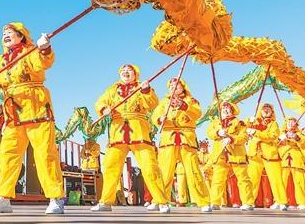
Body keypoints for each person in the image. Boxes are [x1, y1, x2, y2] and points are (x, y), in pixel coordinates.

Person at [0, 23, 65, 215]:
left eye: (10, 32)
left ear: (21, 36)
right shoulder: (0, 60)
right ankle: (4, 198)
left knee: (45, 154)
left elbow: (45, 62)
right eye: (4, 33)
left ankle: (55, 198)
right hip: (13, 113)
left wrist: (44, 47)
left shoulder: (30, 51)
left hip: (37, 108)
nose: (6, 35)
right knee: (8, 156)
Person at [92, 64, 170, 213]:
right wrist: (104, 109)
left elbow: (153, 103)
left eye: (129, 71)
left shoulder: (142, 87)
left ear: (135, 74)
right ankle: (105, 202)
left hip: (139, 130)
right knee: (110, 167)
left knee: (150, 167)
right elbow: (100, 102)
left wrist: (146, 90)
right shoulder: (112, 89)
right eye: (123, 71)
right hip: (117, 131)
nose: (126, 72)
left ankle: (162, 201)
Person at [153, 77, 212, 213]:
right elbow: (155, 116)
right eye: (171, 85)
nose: (173, 87)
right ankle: (159, 200)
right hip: (168, 138)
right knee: (164, 171)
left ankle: (203, 201)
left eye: (177, 85)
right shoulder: (164, 102)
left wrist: (184, 106)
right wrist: (160, 118)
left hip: (186, 138)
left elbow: (197, 113)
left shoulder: (191, 100)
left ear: (183, 87)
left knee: (193, 170)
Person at [206, 101, 255, 211]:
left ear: (232, 111)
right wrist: (218, 132)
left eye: (228, 108)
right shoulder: (215, 122)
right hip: (220, 154)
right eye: (223, 108)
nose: (225, 110)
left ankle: (248, 202)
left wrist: (231, 139)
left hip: (236, 155)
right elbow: (209, 132)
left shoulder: (240, 123)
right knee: (217, 179)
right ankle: (215, 202)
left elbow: (244, 137)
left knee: (243, 179)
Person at [246, 103, 288, 210]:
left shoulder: (274, 124)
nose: (266, 110)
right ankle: (249, 202)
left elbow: (272, 136)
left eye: (268, 108)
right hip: (255, 153)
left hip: (270, 154)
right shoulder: (254, 121)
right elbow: (243, 129)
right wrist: (248, 121)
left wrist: (256, 133)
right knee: (252, 179)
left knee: (276, 178)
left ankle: (281, 201)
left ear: (272, 112)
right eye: (264, 108)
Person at [278, 116, 305, 210]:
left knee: (299, 182)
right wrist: (281, 140)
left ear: (296, 124)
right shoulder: (281, 133)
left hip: (296, 160)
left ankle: (302, 202)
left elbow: (304, 145)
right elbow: (274, 144)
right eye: (289, 122)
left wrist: (297, 138)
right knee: (281, 182)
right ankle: (279, 201)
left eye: (293, 122)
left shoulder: (300, 135)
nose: (291, 124)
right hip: (283, 160)